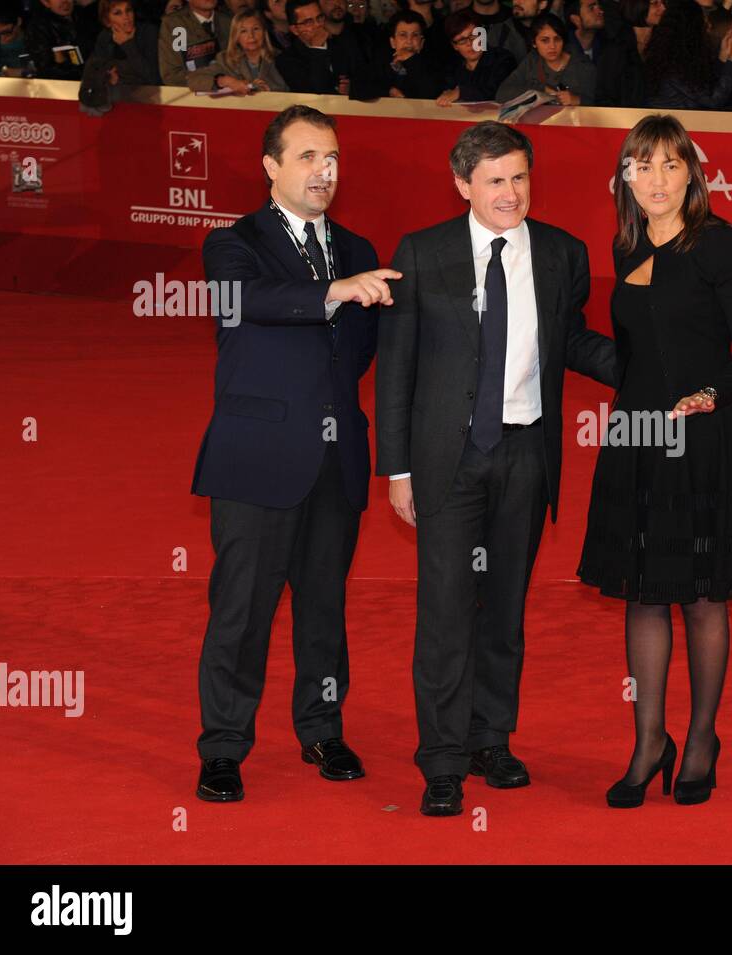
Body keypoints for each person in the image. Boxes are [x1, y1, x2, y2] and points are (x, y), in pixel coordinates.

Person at [375, 121, 620, 817]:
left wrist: (645, 371)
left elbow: (569, 339)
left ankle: (491, 737)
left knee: (505, 609)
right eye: (494, 181)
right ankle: (443, 758)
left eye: (518, 178)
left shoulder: (562, 253)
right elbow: (397, 366)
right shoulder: (424, 253)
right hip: (446, 461)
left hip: (525, 454)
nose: (510, 193)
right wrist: (396, 469)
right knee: (447, 610)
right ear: (463, 185)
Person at [193, 105, 401, 802]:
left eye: (333, 157)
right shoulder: (232, 243)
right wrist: (332, 291)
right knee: (242, 610)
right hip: (256, 456)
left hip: (335, 458)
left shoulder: (360, 247)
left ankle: (321, 726)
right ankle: (223, 746)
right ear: (271, 166)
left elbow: (364, 352)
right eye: (309, 156)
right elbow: (247, 299)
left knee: (324, 609)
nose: (325, 171)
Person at [578, 113, 732, 809]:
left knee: (700, 593)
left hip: (703, 439)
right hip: (636, 436)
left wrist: (706, 396)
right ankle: (647, 743)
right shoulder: (626, 241)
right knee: (642, 591)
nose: (656, 179)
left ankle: (699, 739)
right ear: (624, 176)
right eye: (642, 165)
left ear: (692, 173)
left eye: (670, 165)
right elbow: (634, 356)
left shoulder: (719, 245)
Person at [643, 0, 732, 108]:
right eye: (703, 21)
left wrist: (722, 58)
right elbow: (713, 100)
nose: (708, 26)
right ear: (691, 28)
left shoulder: (681, 57)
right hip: (672, 122)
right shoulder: (672, 63)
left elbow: (708, 87)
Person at [496, 10, 596, 102]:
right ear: (534, 43)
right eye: (545, 40)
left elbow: (603, 101)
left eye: (557, 39)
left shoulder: (582, 65)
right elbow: (502, 93)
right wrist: (541, 89)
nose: (552, 46)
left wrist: (578, 100)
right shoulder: (531, 61)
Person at [78, 0, 160, 111]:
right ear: (107, 21)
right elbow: (96, 74)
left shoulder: (148, 32)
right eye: (118, 13)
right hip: (114, 104)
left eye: (128, 10)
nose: (126, 17)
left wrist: (128, 45)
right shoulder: (104, 37)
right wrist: (107, 78)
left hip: (148, 103)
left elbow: (153, 78)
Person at [277, 0, 369, 93]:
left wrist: (353, 89)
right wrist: (317, 48)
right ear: (295, 29)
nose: (317, 25)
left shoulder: (343, 44)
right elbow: (313, 93)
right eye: (308, 22)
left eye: (319, 18)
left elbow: (365, 78)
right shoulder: (287, 60)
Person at [189, 9, 290, 92]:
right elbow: (194, 79)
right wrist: (226, 81)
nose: (251, 36)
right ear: (236, 36)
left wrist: (266, 91)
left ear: (264, 32)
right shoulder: (225, 60)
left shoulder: (281, 57)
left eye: (256, 29)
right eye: (243, 31)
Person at [435, 9, 516, 104]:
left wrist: (461, 92)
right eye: (462, 40)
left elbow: (498, 92)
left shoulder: (503, 58)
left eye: (473, 36)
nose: (470, 43)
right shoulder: (452, 66)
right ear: (455, 46)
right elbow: (446, 92)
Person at [158, 0, 231, 85]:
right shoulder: (174, 23)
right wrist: (215, 81)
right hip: (190, 92)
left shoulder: (228, 20)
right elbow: (172, 75)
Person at [373, 9, 442, 95]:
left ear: (421, 43)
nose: (409, 41)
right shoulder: (381, 63)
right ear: (393, 42)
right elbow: (358, 87)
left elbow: (432, 91)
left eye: (415, 35)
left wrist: (412, 60)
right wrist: (389, 90)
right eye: (403, 35)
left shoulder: (435, 65)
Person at [27, 0, 95, 79]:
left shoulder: (87, 16)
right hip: (63, 84)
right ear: (45, 2)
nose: (65, 1)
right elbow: (46, 68)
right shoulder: (38, 28)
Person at [0, 4, 30, 75]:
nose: (2, 37)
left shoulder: (35, 41)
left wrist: (22, 72)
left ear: (18, 21)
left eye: (6, 32)